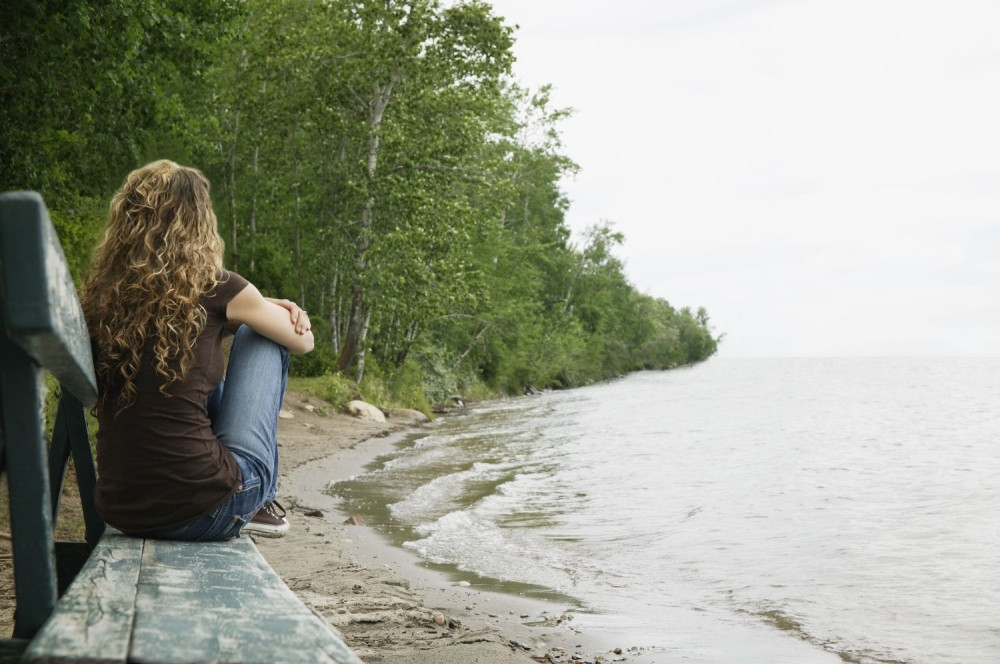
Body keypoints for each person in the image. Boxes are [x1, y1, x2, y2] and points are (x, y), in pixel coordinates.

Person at [80, 159, 314, 541]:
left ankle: (254, 498)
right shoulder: (217, 287)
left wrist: (254, 306)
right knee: (260, 336)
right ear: (199, 223)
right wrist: (278, 310)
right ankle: (261, 499)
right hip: (208, 507)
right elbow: (303, 342)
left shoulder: (104, 299)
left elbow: (202, 312)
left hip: (123, 508)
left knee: (210, 340)